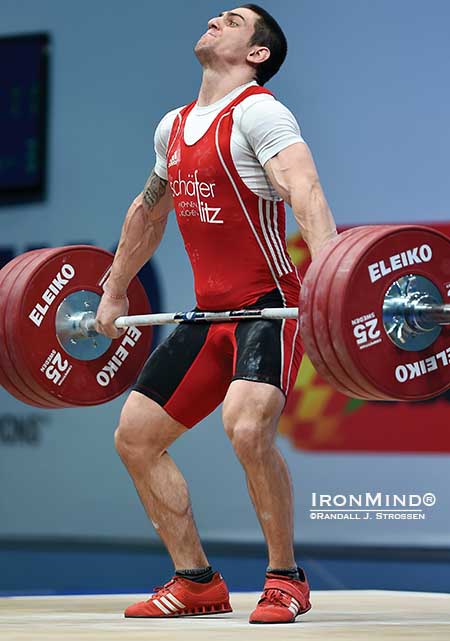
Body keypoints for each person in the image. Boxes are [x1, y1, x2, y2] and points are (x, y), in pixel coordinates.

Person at [95, 4, 337, 625]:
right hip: (208, 317)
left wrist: (332, 275)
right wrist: (115, 289)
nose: (215, 18)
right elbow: (150, 213)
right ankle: (196, 580)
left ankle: (285, 577)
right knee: (135, 437)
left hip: (269, 309)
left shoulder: (260, 111)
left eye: (232, 19)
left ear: (257, 53)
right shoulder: (172, 126)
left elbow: (301, 189)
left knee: (247, 426)